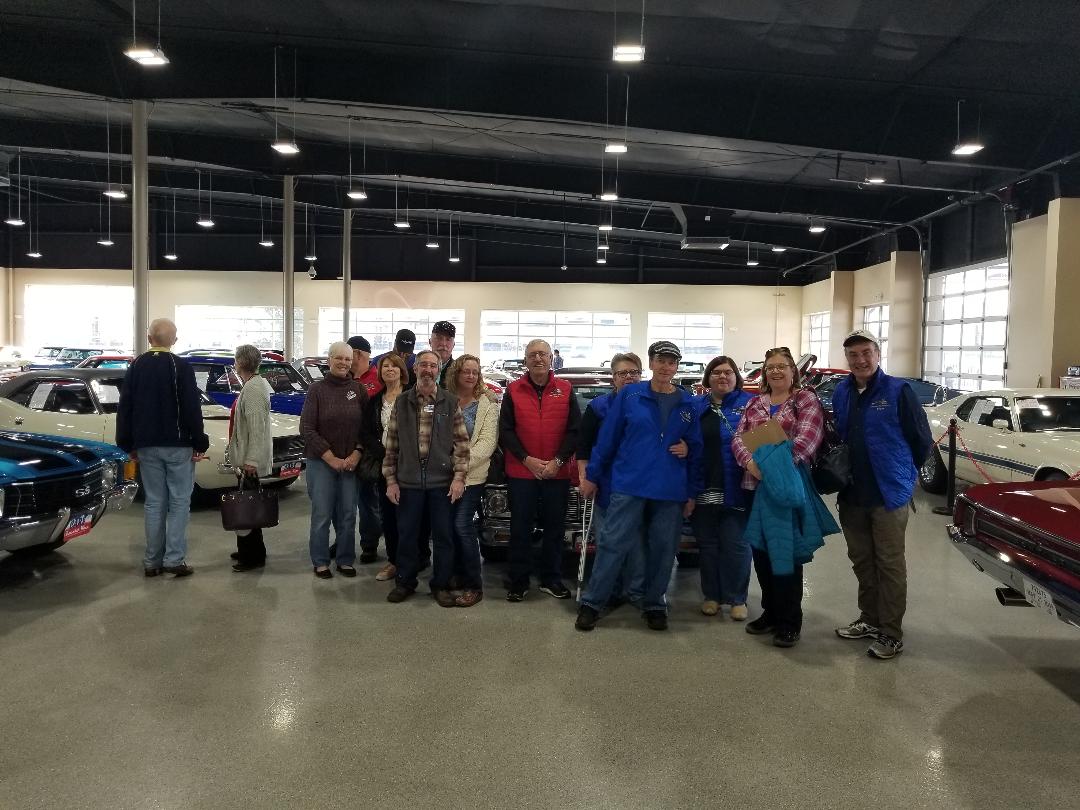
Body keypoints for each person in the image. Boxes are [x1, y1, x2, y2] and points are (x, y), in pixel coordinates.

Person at [576, 340, 703, 632]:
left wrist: (692, 490)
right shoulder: (631, 395)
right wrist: (592, 475)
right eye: (661, 361)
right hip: (629, 483)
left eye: (671, 362)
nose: (665, 367)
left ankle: (655, 604)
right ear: (651, 363)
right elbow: (607, 438)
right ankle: (592, 603)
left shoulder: (687, 403)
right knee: (611, 544)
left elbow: (696, 448)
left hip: (669, 488)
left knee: (663, 549)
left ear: (676, 367)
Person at [832, 330, 933, 660]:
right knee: (862, 560)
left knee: (889, 563)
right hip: (852, 493)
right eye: (853, 355)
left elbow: (921, 440)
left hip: (888, 493)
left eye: (866, 353)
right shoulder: (842, 392)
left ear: (878, 354)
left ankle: (891, 632)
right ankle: (870, 619)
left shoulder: (898, 391)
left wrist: (903, 475)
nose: (860, 360)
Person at [732, 347, 830, 648]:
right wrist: (749, 463)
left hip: (784, 488)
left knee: (785, 553)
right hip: (754, 486)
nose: (775, 371)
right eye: (770, 367)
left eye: (782, 366)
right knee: (761, 553)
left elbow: (806, 441)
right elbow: (738, 438)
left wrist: (769, 466)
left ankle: (789, 621)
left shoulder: (804, 400)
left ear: (793, 371)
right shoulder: (755, 403)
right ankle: (771, 612)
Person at [116, 317, 209, 577]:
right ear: (175, 341)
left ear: (149, 339)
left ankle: (152, 562)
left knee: (154, 502)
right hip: (178, 446)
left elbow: (125, 408)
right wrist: (199, 441)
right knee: (179, 502)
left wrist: (126, 443)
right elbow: (191, 408)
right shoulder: (181, 367)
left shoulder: (136, 366)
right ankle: (174, 559)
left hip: (146, 447)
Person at [381, 350, 471, 604]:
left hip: (441, 485)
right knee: (407, 536)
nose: (428, 370)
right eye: (423, 365)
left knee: (443, 538)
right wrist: (391, 481)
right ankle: (405, 582)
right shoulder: (402, 402)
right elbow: (392, 445)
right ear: (415, 369)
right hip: (408, 484)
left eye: (433, 366)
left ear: (438, 371)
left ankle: (440, 585)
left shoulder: (450, 402)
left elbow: (462, 445)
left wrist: (459, 478)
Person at [499, 339, 581, 602]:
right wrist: (527, 460)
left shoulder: (566, 389)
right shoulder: (513, 390)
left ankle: (551, 579)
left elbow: (574, 431)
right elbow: (506, 431)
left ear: (551, 359)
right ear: (525, 360)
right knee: (520, 528)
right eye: (532, 354)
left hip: (557, 472)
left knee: (555, 529)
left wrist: (558, 461)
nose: (538, 359)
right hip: (522, 472)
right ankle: (518, 581)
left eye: (543, 354)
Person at [576, 351, 645, 609]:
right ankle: (609, 591)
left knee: (637, 542)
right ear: (613, 378)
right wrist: (585, 478)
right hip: (605, 484)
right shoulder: (598, 407)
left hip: (640, 485)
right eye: (622, 373)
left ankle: (636, 591)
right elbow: (584, 447)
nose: (628, 377)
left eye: (633, 372)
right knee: (607, 541)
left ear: (641, 375)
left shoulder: (651, 404)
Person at [690, 356, 754, 619]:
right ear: (708, 378)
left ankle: (737, 598)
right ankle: (712, 596)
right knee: (708, 546)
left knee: (737, 545)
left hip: (737, 487)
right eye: (716, 372)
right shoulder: (695, 406)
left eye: (728, 372)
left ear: (736, 377)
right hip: (704, 487)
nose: (722, 377)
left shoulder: (751, 404)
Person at [300, 341, 367, 579]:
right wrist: (330, 457)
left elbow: (367, 428)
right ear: (329, 360)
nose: (343, 363)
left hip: (350, 463)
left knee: (348, 514)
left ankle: (345, 559)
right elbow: (307, 428)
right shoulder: (316, 390)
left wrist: (357, 453)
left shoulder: (359, 390)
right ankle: (320, 561)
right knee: (322, 514)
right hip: (321, 463)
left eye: (348, 359)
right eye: (338, 358)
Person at [446, 353, 500, 607]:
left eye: (475, 372)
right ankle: (455, 573)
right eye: (466, 371)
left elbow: (487, 444)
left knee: (462, 524)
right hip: (442, 476)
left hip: (472, 476)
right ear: (456, 373)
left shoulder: (487, 404)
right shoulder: (444, 399)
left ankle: (473, 585)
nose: (470, 375)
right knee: (447, 526)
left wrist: (458, 467)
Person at [361, 353, 410, 582]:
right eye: (385, 366)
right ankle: (394, 561)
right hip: (385, 467)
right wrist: (384, 454)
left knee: (411, 517)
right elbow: (366, 433)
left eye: (394, 366)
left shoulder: (412, 397)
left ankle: (415, 558)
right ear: (380, 372)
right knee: (389, 517)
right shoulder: (374, 401)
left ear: (402, 371)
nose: (390, 369)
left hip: (411, 467)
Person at [225, 343, 273, 572]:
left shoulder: (253, 388)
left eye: (236, 360)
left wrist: (252, 460)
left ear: (241, 363)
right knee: (249, 505)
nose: (234, 364)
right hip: (246, 459)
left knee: (247, 508)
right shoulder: (253, 384)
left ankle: (251, 556)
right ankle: (252, 549)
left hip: (249, 461)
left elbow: (256, 427)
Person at [348, 335, 383, 565]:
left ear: (358, 354)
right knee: (344, 502)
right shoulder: (345, 379)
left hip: (369, 452)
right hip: (344, 450)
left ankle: (369, 544)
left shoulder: (378, 380)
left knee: (368, 501)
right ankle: (343, 541)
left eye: (348, 355)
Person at [429, 320, 457, 387]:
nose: (443, 344)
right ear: (430, 342)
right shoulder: (417, 370)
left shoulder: (459, 371)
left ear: (453, 344)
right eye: (439, 338)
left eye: (448, 339)